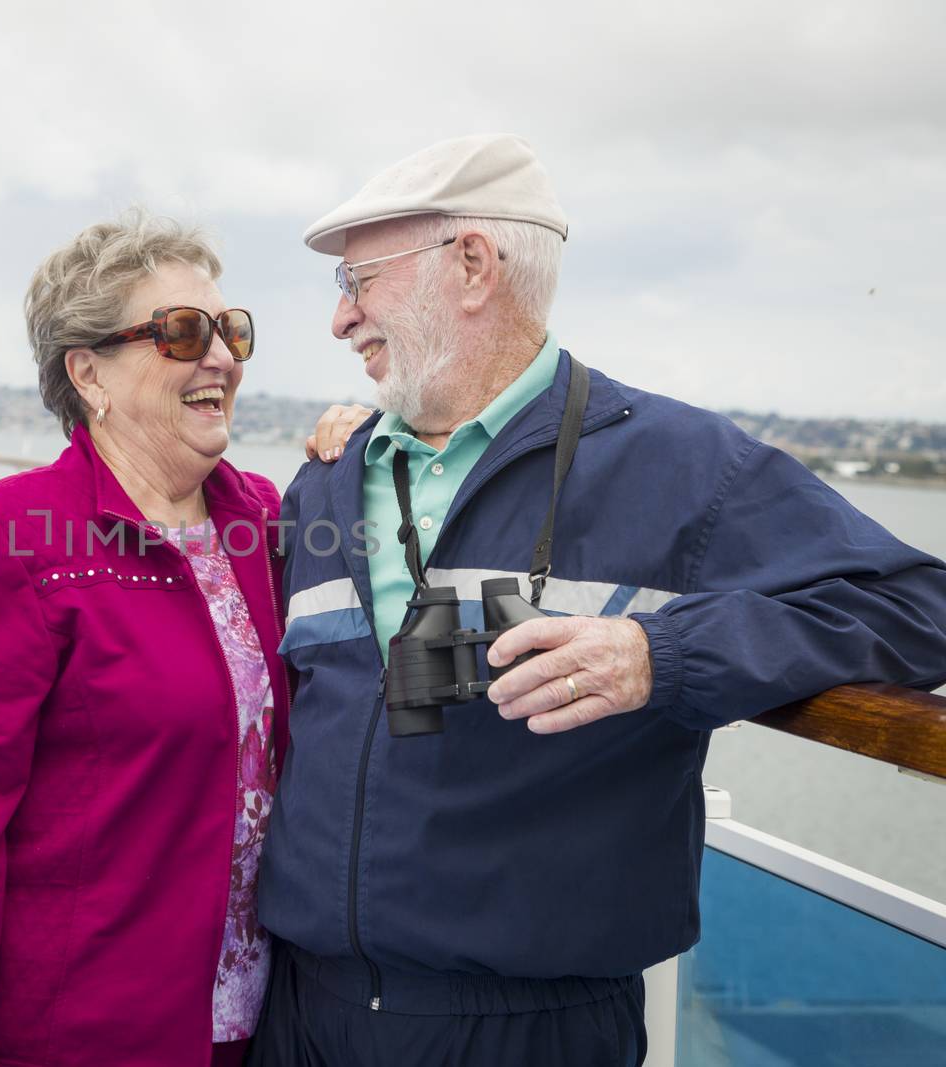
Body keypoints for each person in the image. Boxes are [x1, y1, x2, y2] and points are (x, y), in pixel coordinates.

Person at [249, 133, 946, 1066]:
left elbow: (915, 602)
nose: (340, 320)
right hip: (301, 1013)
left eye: (358, 280)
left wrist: (666, 658)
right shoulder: (328, 484)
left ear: (471, 265)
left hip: (528, 1034)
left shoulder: (680, 466)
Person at [0, 211, 351, 1067]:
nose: (224, 357)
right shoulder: (3, 543)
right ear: (88, 372)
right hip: (82, 1040)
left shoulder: (268, 524)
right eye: (183, 332)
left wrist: (360, 463)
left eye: (230, 330)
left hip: (265, 1033)